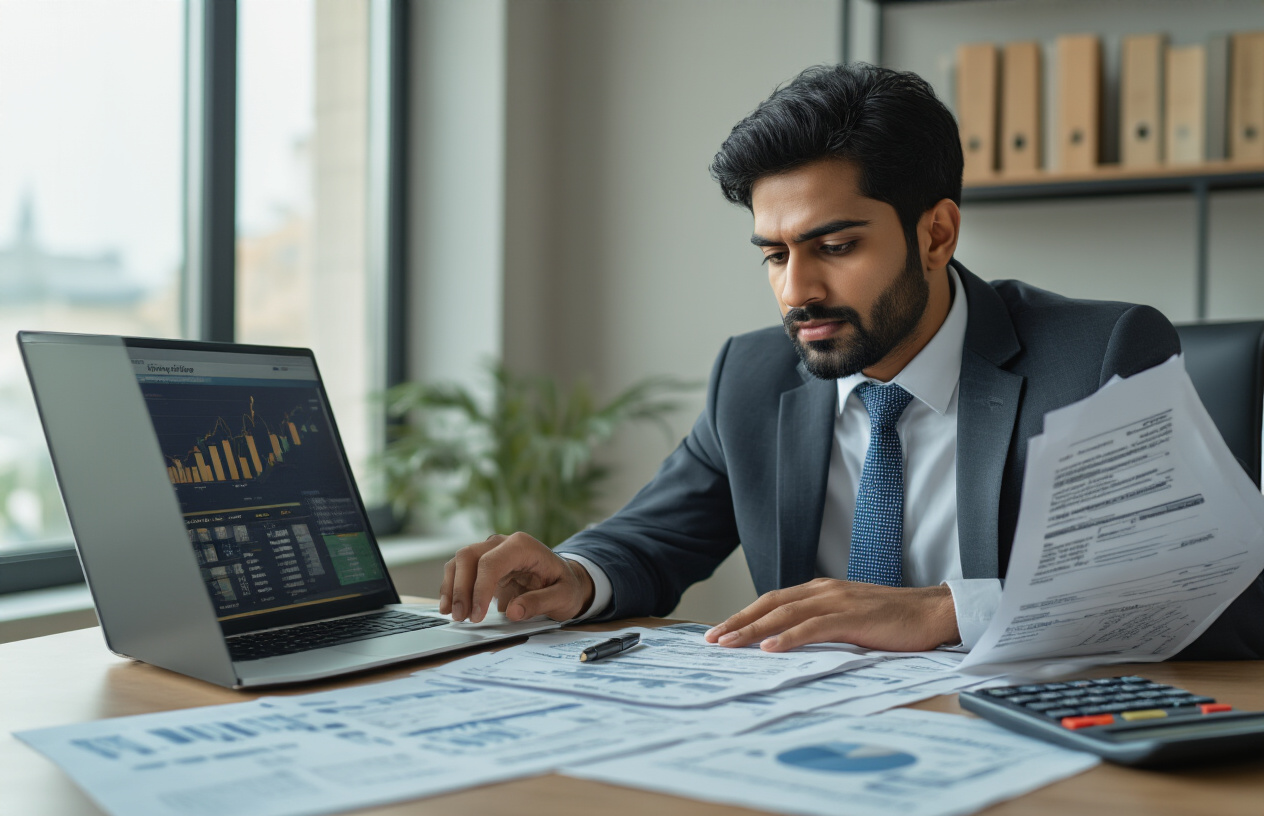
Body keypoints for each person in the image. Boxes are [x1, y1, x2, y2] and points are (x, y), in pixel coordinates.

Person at [439, 63, 1264, 659]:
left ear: (936, 233)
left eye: (834, 246)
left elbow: (1221, 596)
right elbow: (652, 542)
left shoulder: (1096, 357)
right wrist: (576, 576)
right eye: (773, 254)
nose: (797, 290)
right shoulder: (751, 378)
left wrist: (949, 611)